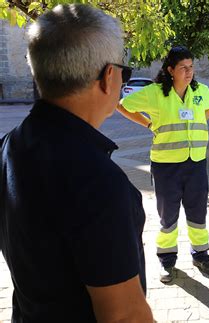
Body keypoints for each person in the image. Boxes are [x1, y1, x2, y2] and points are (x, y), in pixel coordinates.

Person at [0, 4, 153, 322]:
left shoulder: (9, 146)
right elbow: (124, 315)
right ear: (109, 77)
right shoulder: (98, 181)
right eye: (125, 70)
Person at [117, 46, 209, 283]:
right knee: (168, 217)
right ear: (170, 70)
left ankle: (201, 255)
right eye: (183, 68)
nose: (189, 72)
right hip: (166, 166)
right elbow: (122, 105)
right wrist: (147, 124)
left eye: (191, 67)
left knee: (198, 214)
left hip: (196, 163)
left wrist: (199, 118)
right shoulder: (155, 93)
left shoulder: (199, 91)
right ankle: (167, 261)